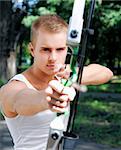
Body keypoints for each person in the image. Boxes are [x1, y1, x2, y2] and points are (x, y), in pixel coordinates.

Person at [0, 14, 113, 150]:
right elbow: (18, 100)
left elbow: (106, 73)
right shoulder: (14, 86)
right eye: (45, 49)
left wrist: (74, 76)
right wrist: (47, 99)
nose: (53, 58)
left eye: (60, 49)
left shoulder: (64, 78)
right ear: (32, 50)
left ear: (67, 50)